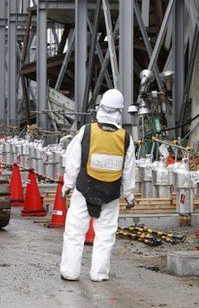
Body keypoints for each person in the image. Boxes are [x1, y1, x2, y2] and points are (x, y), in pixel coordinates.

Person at [60, 89, 136, 282]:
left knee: (75, 232)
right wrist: (129, 195)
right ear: (120, 111)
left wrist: (67, 185)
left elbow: (73, 160)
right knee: (105, 235)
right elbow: (128, 170)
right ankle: (99, 274)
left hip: (84, 189)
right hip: (110, 194)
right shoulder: (125, 138)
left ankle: (70, 272)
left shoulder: (87, 131)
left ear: (100, 108)